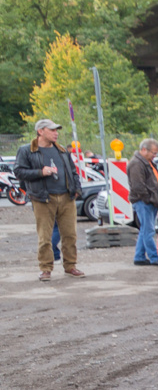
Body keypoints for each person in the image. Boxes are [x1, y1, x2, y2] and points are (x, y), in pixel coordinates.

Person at [15, 119, 84, 282]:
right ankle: (45, 269)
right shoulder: (26, 151)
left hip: (66, 197)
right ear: (40, 131)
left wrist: (76, 189)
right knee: (45, 236)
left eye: (56, 130)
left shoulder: (61, 150)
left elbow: (73, 172)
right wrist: (40, 172)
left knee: (70, 235)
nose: (56, 133)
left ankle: (70, 266)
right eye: (52, 130)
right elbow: (18, 172)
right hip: (42, 198)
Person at [127, 138, 158, 267]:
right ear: (144, 149)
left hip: (149, 202)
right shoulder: (136, 164)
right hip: (144, 202)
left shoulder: (146, 162)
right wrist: (149, 199)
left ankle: (139, 257)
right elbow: (138, 186)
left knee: (145, 229)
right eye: (153, 152)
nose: (155, 156)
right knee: (148, 231)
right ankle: (154, 257)